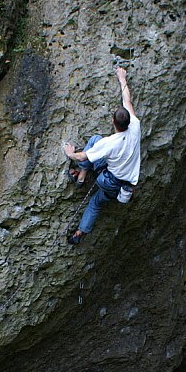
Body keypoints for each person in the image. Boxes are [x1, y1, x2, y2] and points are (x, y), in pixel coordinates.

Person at [63, 66, 141, 245]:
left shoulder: (110, 143)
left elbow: (83, 157)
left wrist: (70, 154)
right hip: (124, 186)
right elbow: (127, 101)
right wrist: (122, 79)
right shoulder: (136, 126)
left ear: (113, 121)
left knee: (94, 140)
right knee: (96, 203)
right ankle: (79, 234)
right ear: (129, 120)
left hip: (108, 179)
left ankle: (81, 177)